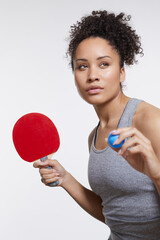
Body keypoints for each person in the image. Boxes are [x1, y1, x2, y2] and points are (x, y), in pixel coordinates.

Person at [33, 10, 160, 240]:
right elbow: (113, 213)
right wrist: (65, 179)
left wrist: (158, 176)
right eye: (82, 66)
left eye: (104, 64)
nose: (92, 75)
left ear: (121, 72)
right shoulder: (95, 135)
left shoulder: (149, 121)